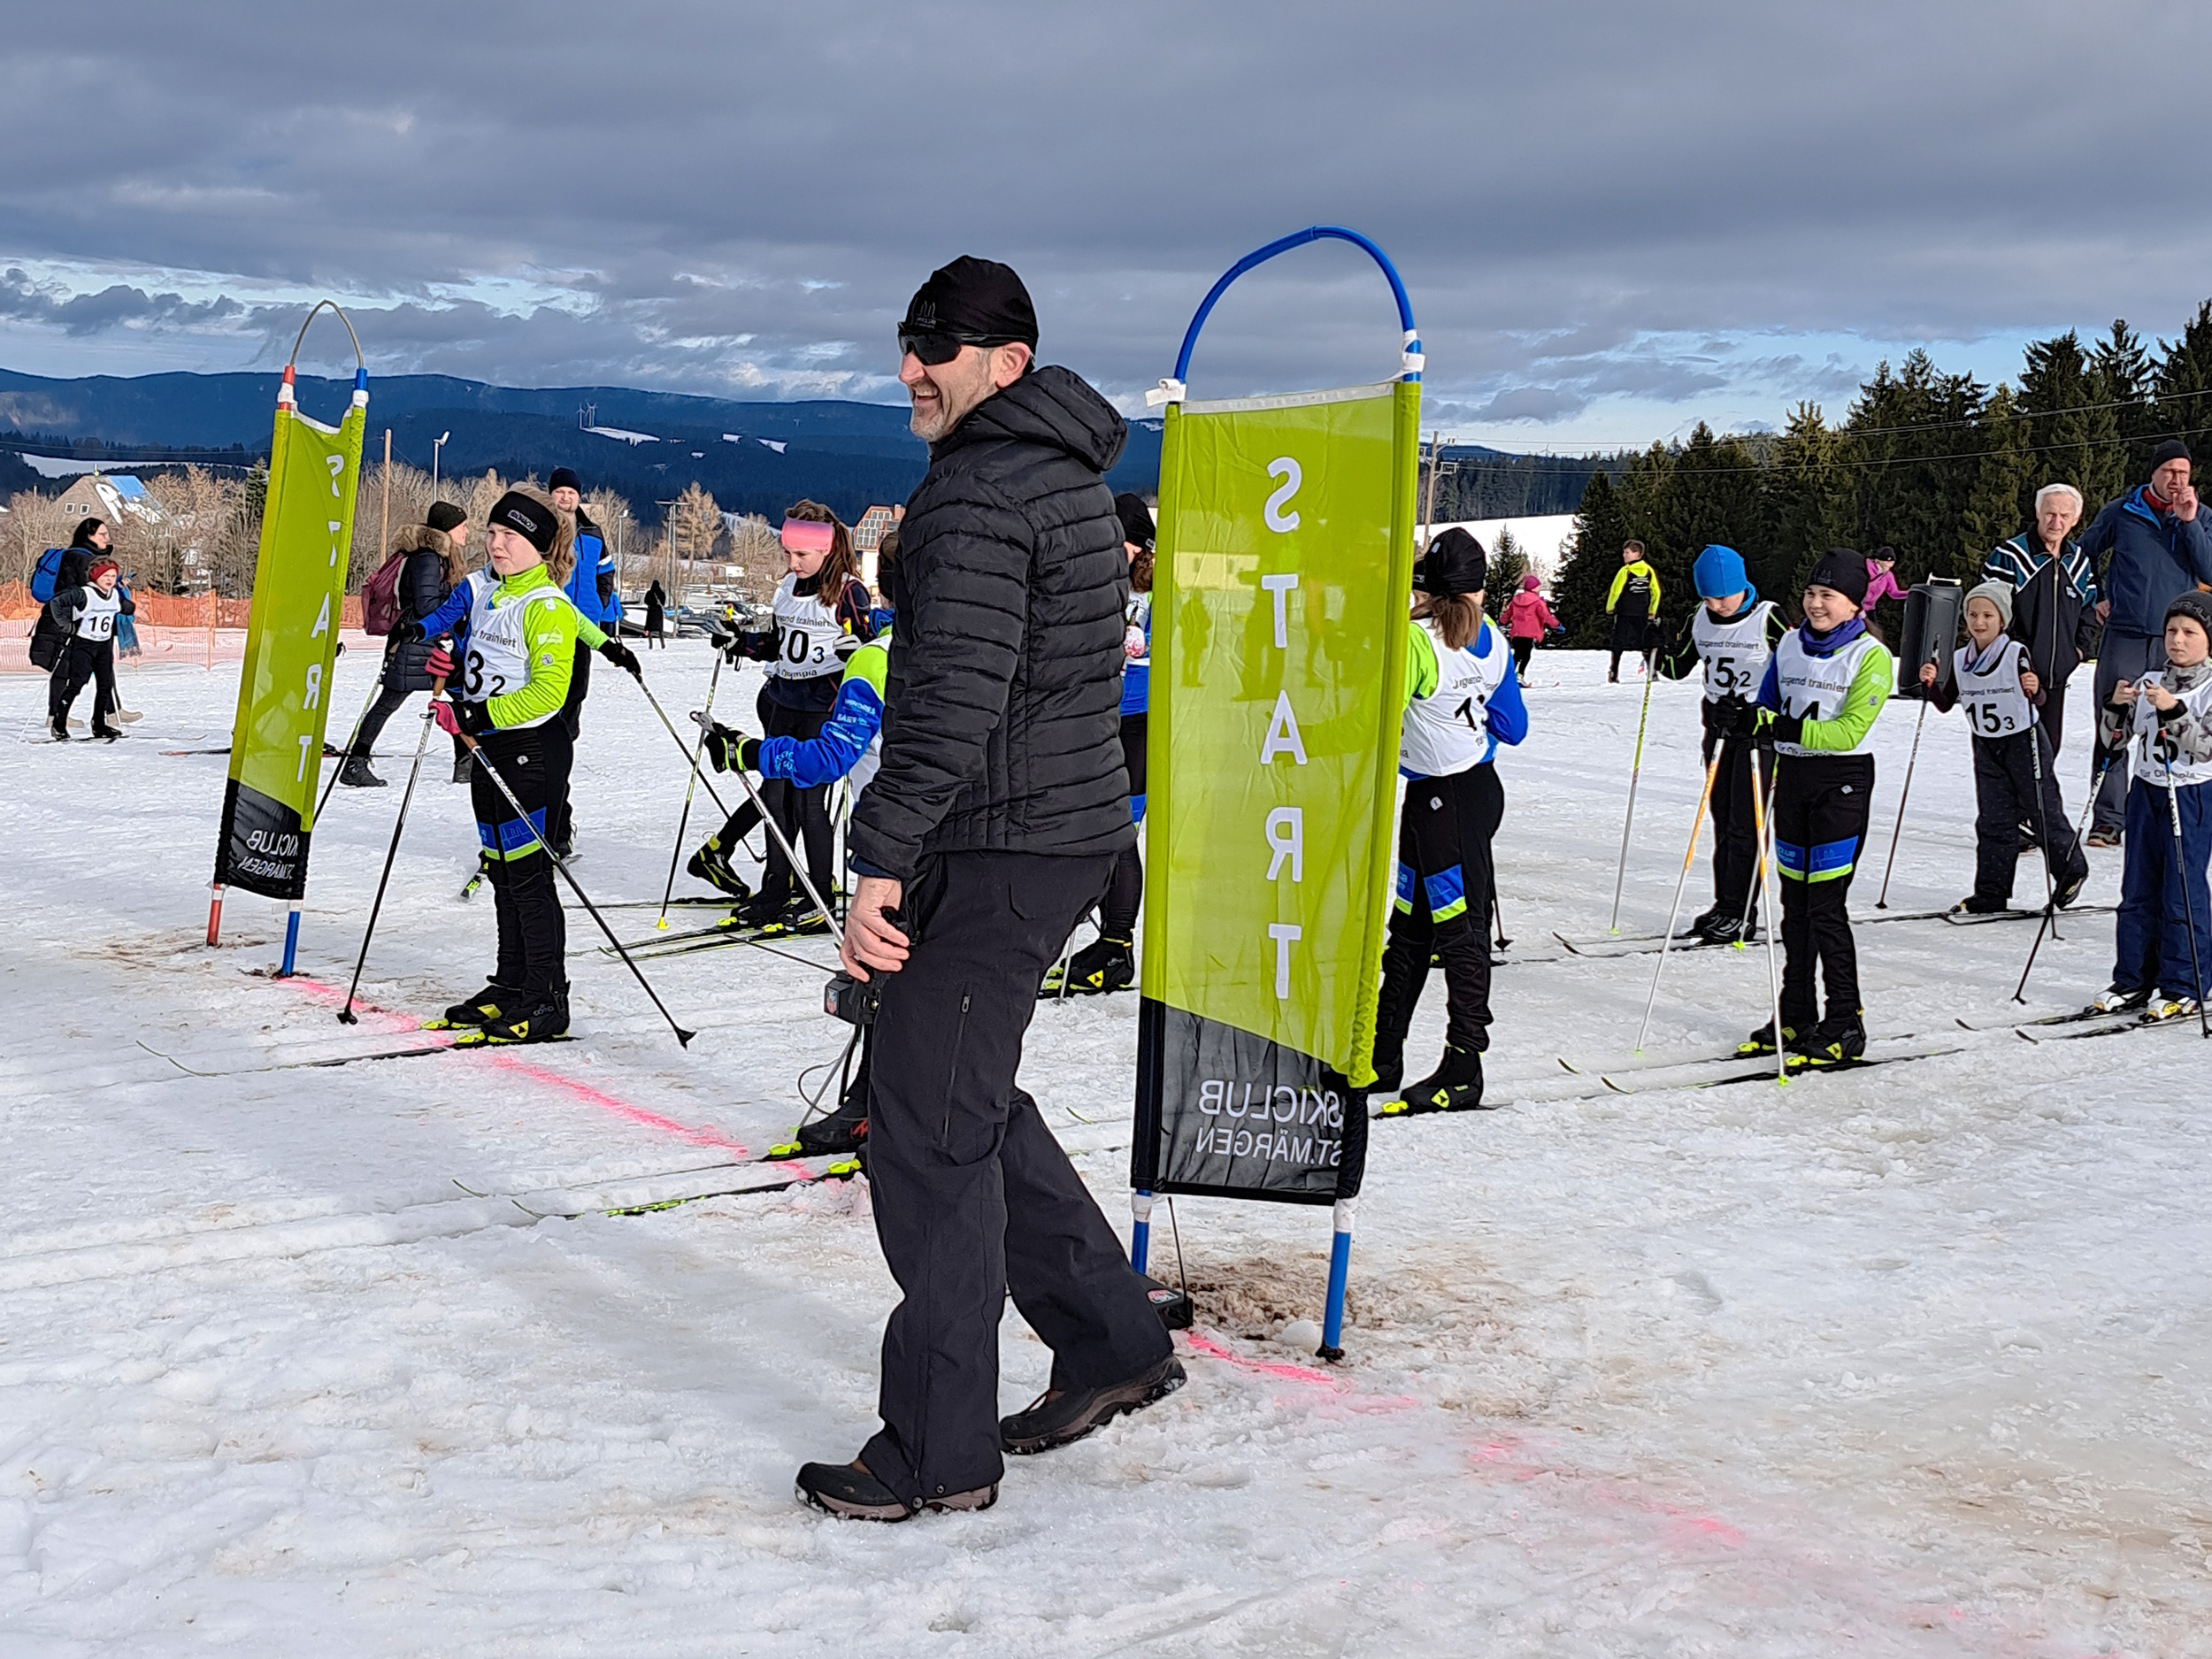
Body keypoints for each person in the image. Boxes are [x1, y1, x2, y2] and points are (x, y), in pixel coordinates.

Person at [802, 255, 1178, 1524]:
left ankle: (936, 1449)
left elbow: (951, 703)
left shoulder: (978, 492)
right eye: (907, 341)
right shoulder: (1058, 473)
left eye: (940, 347)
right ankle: (1113, 1339)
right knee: (964, 1095)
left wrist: (879, 860)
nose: (913, 367)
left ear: (1008, 361)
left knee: (927, 1127)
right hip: (1044, 834)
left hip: (1002, 842)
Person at [398, 489, 633, 1043]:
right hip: (490, 747)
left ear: (540, 546)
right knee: (500, 869)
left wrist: (475, 714)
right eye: (493, 532)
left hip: (531, 751)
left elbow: (548, 695)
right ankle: (511, 984)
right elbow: (470, 648)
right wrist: (447, 662)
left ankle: (547, 998)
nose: (496, 544)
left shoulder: (545, 606)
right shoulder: (485, 588)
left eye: (511, 536)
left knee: (528, 877)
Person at [698, 541, 902, 1158]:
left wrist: (747, 752)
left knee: (889, 976)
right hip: (962, 841)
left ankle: (876, 1108)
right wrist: (747, 643)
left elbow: (826, 759)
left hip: (898, 846)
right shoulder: (975, 645)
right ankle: (889, 1105)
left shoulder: (877, 657)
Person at [1372, 527, 1528, 1114]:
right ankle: (1383, 1056)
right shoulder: (1493, 638)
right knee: (1413, 926)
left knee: (1459, 935)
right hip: (1460, 794)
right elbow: (1514, 727)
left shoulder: (1417, 639)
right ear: (1480, 590)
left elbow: (1378, 716)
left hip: (1446, 803)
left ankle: (1464, 1067)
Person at [687, 502, 876, 924]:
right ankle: (775, 887)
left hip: (822, 704)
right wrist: (741, 641)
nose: (793, 563)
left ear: (826, 549)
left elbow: (872, 648)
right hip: (784, 700)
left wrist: (857, 651)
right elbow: (778, 643)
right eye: (788, 553)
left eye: (801, 555)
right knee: (774, 799)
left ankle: (819, 893)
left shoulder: (849, 591)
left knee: (808, 801)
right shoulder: (788, 588)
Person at [1743, 549, 1894, 1065]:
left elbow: (1849, 731)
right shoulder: (1789, 643)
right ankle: (1797, 1012)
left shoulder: (1870, 656)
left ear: (1854, 604)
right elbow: (1767, 703)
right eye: (1810, 593)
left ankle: (1846, 1019)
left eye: (1828, 595)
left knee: (1826, 907)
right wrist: (1741, 719)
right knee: (1795, 905)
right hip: (1793, 778)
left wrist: (1782, 727)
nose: (1815, 604)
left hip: (1841, 782)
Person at [1918, 580, 2087, 917]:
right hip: (1986, 745)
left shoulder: (2015, 652)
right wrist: (1930, 684)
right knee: (1994, 820)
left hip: (2024, 741)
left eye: (1988, 616)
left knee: (2042, 810)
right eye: (1973, 615)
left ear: (2002, 620)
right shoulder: (1961, 659)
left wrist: (2034, 687)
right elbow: (1945, 702)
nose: (1979, 622)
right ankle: (1991, 893)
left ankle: (2071, 871)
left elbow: (2038, 697)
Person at [1044, 492, 1156, 997]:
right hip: (1096, 719)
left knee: (1118, 835)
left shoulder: (1160, 592)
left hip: (1138, 725)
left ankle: (1117, 945)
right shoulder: (1096, 578)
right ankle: (1103, 939)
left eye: (1122, 543)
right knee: (1092, 829)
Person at [2078, 440, 2212, 847]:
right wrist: (2095, 597)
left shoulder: (2202, 516)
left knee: (2174, 726)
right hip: (2126, 634)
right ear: (2153, 473)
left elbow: (2208, 571)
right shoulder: (2122, 511)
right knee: (2115, 721)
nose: (2177, 480)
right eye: (2169, 471)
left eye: (2183, 473)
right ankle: (2108, 820)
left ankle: (2168, 814)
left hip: (2178, 640)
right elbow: (2082, 555)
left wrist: (2189, 523)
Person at [2090, 591, 2212, 1023]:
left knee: (2181, 890)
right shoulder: (2150, 680)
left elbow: (2206, 747)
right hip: (2146, 789)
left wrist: (2173, 710)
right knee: (2138, 888)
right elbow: (2114, 743)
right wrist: (2116, 707)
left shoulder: (2208, 687)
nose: (2177, 640)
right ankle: (2133, 978)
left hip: (2192, 793)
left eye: (2189, 632)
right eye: (2171, 631)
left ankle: (2185, 984)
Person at [1657, 544, 1786, 944]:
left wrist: (1761, 713)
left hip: (1758, 735)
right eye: (1708, 597)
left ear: (1741, 585)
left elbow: (1795, 671)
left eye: (1723, 596)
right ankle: (1725, 905)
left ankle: (1741, 911)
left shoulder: (1768, 617)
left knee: (1747, 824)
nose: (1717, 605)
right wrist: (1655, 644)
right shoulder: (1700, 618)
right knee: (1723, 820)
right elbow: (1677, 667)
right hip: (1719, 730)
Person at [340, 503, 468, 787]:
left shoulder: (437, 558)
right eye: (462, 526)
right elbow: (426, 605)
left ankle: (465, 762)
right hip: (417, 643)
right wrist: (459, 605)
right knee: (390, 702)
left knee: (461, 695)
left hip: (429, 642)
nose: (467, 531)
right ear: (448, 528)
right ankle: (355, 762)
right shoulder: (428, 559)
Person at [1982, 484, 2097, 759]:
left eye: (2064, 516)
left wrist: (2077, 651)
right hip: (2012, 678)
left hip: (2055, 681)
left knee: (2047, 754)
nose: (2056, 522)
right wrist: (2016, 658)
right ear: (2037, 512)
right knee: (2010, 758)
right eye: (2050, 514)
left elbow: (2088, 611)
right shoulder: (2010, 555)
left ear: (2075, 519)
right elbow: (1987, 614)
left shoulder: (2079, 561)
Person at [546, 467, 618, 856]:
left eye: (570, 492)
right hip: (547, 630)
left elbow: (606, 572)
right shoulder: (542, 528)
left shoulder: (593, 532)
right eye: (559, 491)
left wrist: (600, 604)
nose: (565, 498)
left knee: (571, 711)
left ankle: (563, 742)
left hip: (583, 632)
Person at [46, 555, 127, 741]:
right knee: (77, 684)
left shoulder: (114, 594)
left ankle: (99, 724)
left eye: (113, 576)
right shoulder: (84, 593)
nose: (110, 580)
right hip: (84, 644)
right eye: (105, 576)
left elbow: (121, 607)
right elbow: (56, 603)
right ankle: (59, 723)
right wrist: (65, 625)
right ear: (96, 576)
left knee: (105, 685)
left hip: (104, 645)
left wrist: (131, 607)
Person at [30, 518, 106, 677]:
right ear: (89, 536)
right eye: (102, 534)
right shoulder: (85, 560)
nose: (107, 538)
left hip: (52, 619)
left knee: (54, 675)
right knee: (62, 677)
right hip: (69, 626)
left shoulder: (68, 555)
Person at [1604, 540, 1660, 681]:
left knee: (1618, 642)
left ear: (1637, 554)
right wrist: (1652, 610)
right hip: (1642, 612)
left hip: (1625, 612)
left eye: (1627, 552)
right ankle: (1652, 671)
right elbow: (1656, 592)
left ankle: (1614, 672)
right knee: (1645, 642)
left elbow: (1615, 591)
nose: (1624, 555)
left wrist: (1610, 607)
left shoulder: (1625, 571)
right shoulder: (1649, 570)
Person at [1499, 572, 1563, 685]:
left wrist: (1501, 622)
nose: (1539, 588)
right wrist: (1557, 625)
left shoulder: (1516, 600)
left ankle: (1508, 676)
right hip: (1530, 634)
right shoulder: (1538, 602)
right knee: (1526, 656)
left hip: (1517, 633)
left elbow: (1507, 614)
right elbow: (1546, 616)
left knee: (1517, 655)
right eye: (1538, 587)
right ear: (1533, 588)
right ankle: (1520, 675)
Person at [1860, 546, 1906, 634]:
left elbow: (1894, 593)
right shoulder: (1866, 569)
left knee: (1874, 633)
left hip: (1870, 609)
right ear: (1878, 560)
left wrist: (1912, 593)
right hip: (1857, 606)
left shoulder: (1888, 575)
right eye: (1886, 561)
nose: (1889, 564)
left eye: (1892, 562)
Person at [643, 578, 667, 648]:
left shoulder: (649, 593)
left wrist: (651, 604)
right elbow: (663, 603)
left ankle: (651, 645)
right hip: (658, 612)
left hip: (651, 612)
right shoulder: (662, 593)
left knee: (650, 630)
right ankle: (662, 644)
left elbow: (646, 601)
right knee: (660, 630)